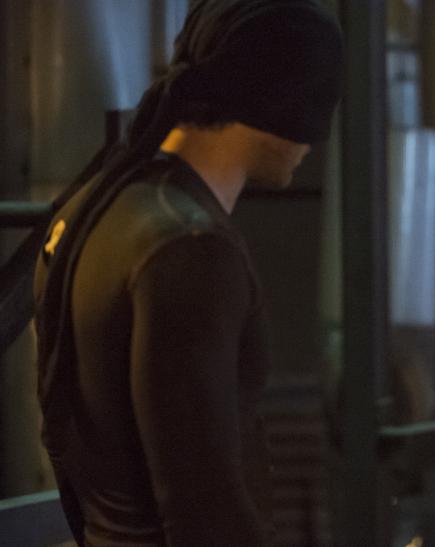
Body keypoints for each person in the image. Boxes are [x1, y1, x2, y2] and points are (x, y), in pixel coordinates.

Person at [32, 1, 342, 545]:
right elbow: (202, 501)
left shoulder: (89, 209)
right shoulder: (190, 249)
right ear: (275, 96)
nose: (315, 142)